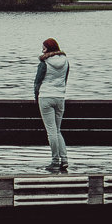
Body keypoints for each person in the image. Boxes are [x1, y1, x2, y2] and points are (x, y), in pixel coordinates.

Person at [34, 38, 70, 171]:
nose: (42, 50)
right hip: (60, 97)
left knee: (51, 132)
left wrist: (36, 96)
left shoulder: (44, 63)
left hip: (46, 97)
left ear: (48, 49)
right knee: (57, 130)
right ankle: (64, 159)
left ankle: (55, 160)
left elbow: (38, 81)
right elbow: (64, 79)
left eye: (43, 48)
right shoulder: (65, 61)